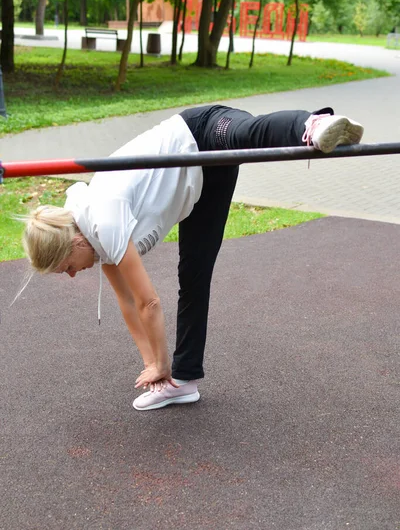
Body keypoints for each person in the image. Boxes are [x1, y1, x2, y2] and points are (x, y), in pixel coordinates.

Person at [22, 104, 364, 411]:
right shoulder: (93, 240)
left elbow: (148, 304)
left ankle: (315, 125)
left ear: (73, 244)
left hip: (199, 134)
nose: (71, 275)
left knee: (246, 135)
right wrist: (153, 364)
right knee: (194, 276)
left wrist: (158, 361)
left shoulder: (102, 219)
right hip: (200, 188)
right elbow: (126, 303)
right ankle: (182, 382)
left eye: (65, 267)